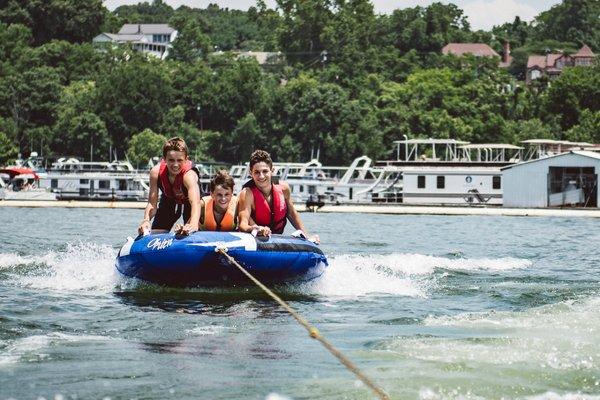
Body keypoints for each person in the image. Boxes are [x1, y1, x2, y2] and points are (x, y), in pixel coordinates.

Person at [238, 149, 319, 243]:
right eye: (256, 172)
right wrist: (255, 229)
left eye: (265, 171)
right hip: (255, 239)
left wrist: (307, 237)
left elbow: (292, 214)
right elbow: (242, 224)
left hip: (277, 239)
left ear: (272, 171)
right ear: (250, 173)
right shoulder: (247, 194)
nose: (261, 176)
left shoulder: (284, 189)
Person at [138, 137, 201, 236]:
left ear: (186, 159)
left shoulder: (189, 176)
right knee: (155, 234)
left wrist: (193, 225)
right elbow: (152, 204)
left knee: (191, 230)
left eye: (179, 160)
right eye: (171, 160)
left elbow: (196, 203)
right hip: (169, 200)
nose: (175, 165)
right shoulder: (155, 173)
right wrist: (146, 220)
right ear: (164, 159)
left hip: (192, 204)